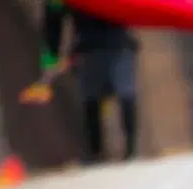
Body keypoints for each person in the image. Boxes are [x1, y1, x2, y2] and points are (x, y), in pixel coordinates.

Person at [40, 0, 140, 164]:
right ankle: (108, 151)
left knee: (106, 97)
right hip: (98, 46)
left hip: (104, 44)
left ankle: (115, 150)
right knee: (101, 98)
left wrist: (52, 53)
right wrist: (51, 54)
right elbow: (53, 16)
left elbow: (53, 18)